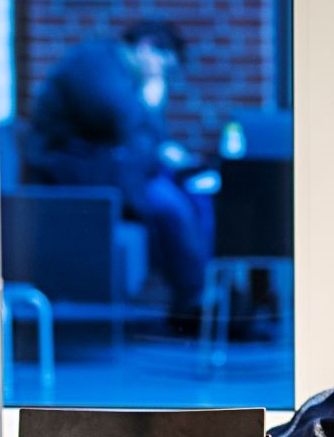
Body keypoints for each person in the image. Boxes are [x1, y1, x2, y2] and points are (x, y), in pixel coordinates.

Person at [21, 20, 216, 330]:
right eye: (162, 67)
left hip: (106, 167)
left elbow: (145, 136)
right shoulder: (96, 65)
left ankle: (196, 300)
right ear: (147, 47)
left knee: (193, 194)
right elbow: (125, 124)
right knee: (170, 206)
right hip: (69, 174)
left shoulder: (118, 71)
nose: (161, 75)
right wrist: (153, 98)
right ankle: (193, 303)